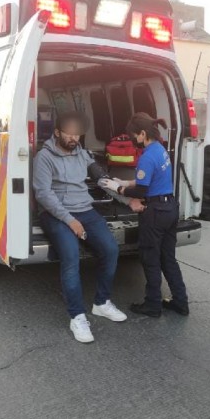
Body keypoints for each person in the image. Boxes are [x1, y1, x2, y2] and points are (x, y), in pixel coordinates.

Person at [32, 111, 127, 343]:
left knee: (110, 250)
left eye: (77, 135)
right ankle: (77, 316)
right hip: (55, 214)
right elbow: (43, 194)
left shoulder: (82, 153)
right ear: (57, 132)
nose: (74, 138)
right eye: (69, 134)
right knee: (71, 256)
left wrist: (127, 199)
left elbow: (101, 179)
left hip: (85, 209)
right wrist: (70, 220)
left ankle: (101, 303)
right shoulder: (44, 157)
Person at [103, 112, 190, 317]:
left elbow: (141, 191)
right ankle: (180, 302)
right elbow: (150, 179)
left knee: (150, 259)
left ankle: (152, 304)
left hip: (155, 213)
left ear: (142, 134)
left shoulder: (146, 157)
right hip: (170, 208)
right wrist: (127, 182)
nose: (133, 139)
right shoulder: (160, 150)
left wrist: (118, 188)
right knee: (168, 259)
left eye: (134, 136)